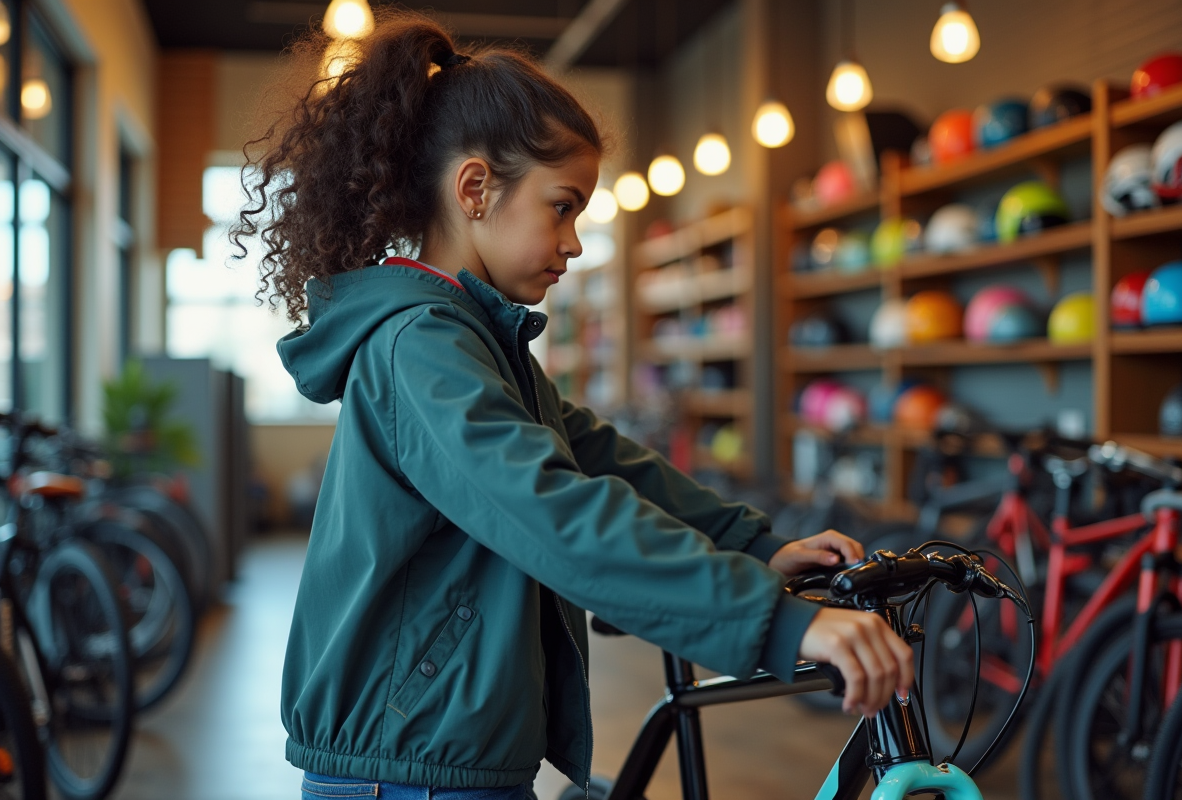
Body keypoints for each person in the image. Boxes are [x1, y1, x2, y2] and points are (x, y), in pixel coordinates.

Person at [233, 11, 912, 800]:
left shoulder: (472, 337)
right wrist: (783, 624)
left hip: (443, 754)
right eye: (563, 206)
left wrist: (751, 545)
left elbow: (597, 456)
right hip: (407, 771)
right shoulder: (421, 346)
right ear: (476, 189)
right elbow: (549, 508)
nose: (577, 242)